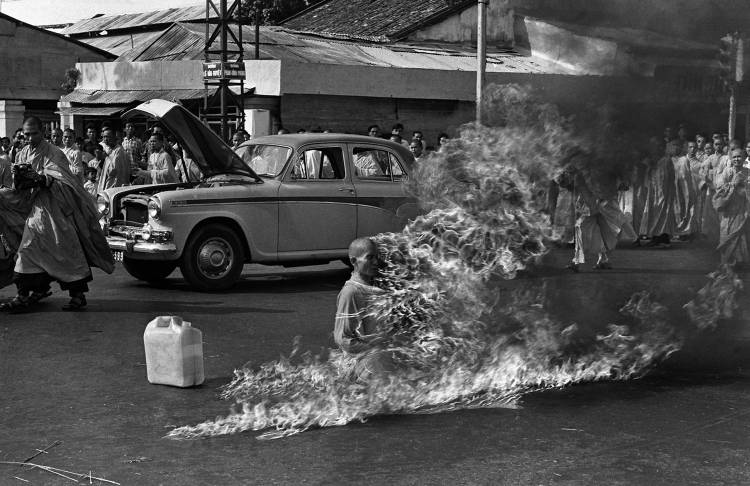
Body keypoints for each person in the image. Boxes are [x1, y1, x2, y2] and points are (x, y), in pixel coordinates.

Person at [0, 116, 114, 312]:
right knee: (28, 249)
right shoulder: (22, 153)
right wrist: (18, 182)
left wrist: (42, 179)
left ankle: (77, 295)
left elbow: (65, 181)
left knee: (64, 251)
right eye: (26, 134)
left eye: (33, 133)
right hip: (34, 210)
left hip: (55, 208)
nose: (29, 138)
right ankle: (26, 293)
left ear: (42, 132)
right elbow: (17, 184)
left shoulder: (54, 153)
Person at [334, 237, 395, 380]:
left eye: (377, 257)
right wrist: (374, 350)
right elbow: (343, 339)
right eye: (370, 258)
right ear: (354, 261)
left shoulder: (375, 287)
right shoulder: (351, 293)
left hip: (381, 363)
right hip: (367, 368)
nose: (376, 262)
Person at [713, 148, 750, 266]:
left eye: (739, 157)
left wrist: (744, 187)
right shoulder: (726, 172)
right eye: (734, 157)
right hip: (729, 208)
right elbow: (719, 189)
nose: (736, 159)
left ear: (744, 158)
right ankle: (727, 260)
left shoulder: (748, 172)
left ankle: (740, 261)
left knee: (741, 233)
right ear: (730, 158)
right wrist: (733, 184)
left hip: (743, 208)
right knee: (727, 231)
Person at [639, 140, 678, 243]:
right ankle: (655, 236)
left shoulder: (666, 161)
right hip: (654, 193)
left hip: (665, 193)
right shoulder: (652, 162)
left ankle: (663, 238)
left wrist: (669, 190)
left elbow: (672, 176)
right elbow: (648, 176)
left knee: (664, 213)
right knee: (653, 212)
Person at [673, 140, 698, 239]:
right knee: (678, 208)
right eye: (690, 147)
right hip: (677, 188)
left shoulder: (689, 161)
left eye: (694, 147)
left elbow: (690, 176)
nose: (692, 149)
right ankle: (678, 231)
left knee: (688, 208)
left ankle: (687, 231)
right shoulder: (676, 160)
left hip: (689, 188)